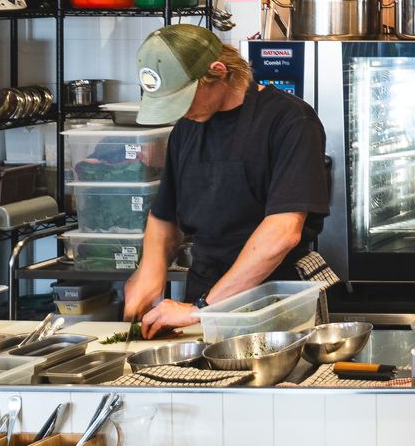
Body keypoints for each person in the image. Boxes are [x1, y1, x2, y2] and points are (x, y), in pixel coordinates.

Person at [123, 25, 333, 339]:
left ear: (218, 72)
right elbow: (164, 216)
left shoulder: (289, 120)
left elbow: (282, 232)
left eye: (184, 99)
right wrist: (151, 269)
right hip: (202, 295)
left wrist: (202, 309)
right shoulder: (188, 128)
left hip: (277, 302)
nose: (180, 112)